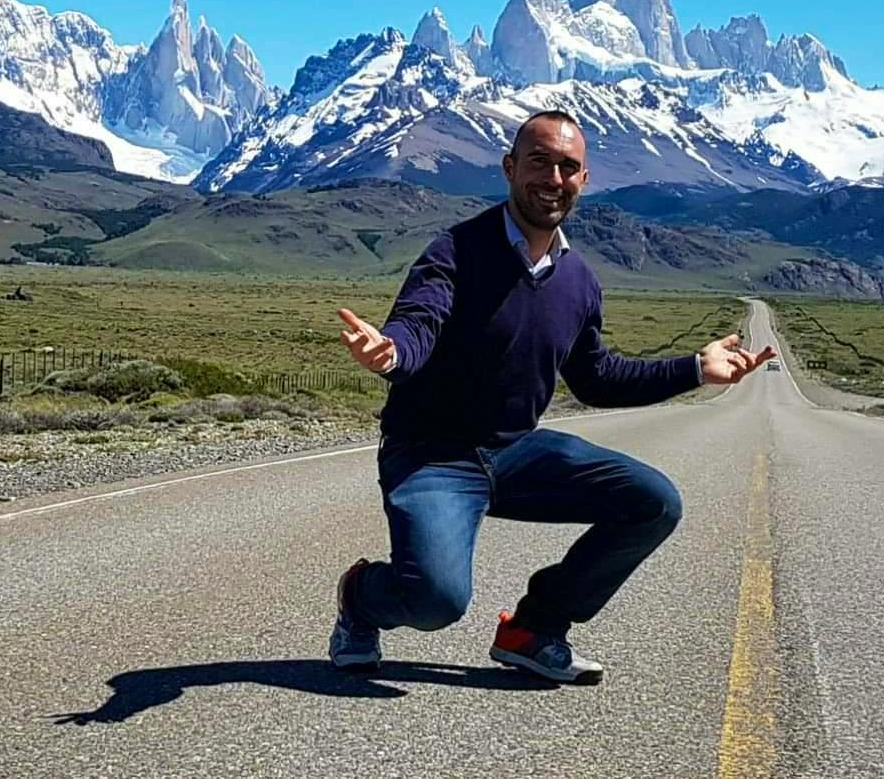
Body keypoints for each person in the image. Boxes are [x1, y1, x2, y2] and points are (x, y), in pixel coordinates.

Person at [331, 110, 772, 684]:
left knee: (654, 501)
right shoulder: (455, 252)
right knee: (437, 601)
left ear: (583, 180)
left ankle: (535, 628)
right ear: (511, 168)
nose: (553, 178)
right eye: (539, 161)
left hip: (516, 452)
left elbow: (596, 378)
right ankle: (362, 598)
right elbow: (421, 320)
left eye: (568, 167)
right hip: (431, 455)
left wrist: (694, 368)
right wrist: (393, 353)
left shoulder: (579, 280)